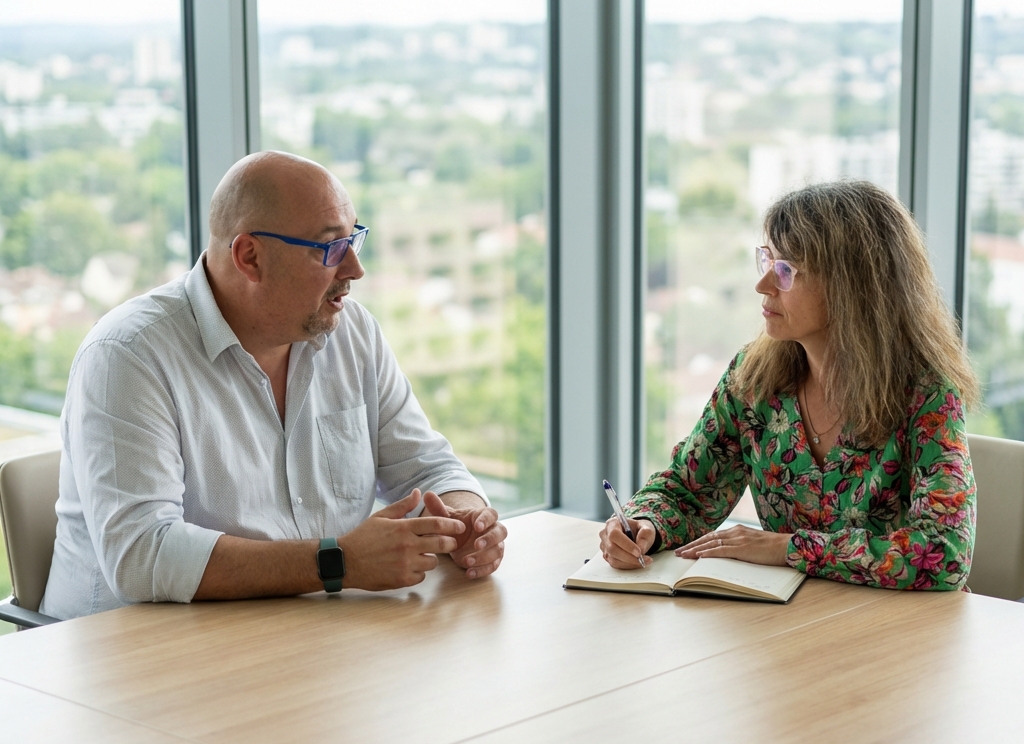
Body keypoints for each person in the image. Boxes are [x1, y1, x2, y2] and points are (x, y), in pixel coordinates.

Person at [41, 151, 506, 619]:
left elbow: (427, 467)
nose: (354, 269)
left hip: (297, 630)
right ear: (250, 257)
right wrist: (338, 562)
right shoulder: (127, 355)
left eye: (353, 239)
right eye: (330, 247)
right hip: (134, 650)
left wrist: (466, 516)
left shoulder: (351, 332)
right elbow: (143, 556)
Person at [600, 180, 978, 590]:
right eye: (767, 259)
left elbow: (944, 551)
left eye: (785, 271)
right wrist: (644, 524)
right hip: (786, 619)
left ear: (850, 287)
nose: (762, 284)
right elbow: (687, 491)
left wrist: (787, 548)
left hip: (901, 624)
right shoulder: (753, 380)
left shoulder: (926, 394)